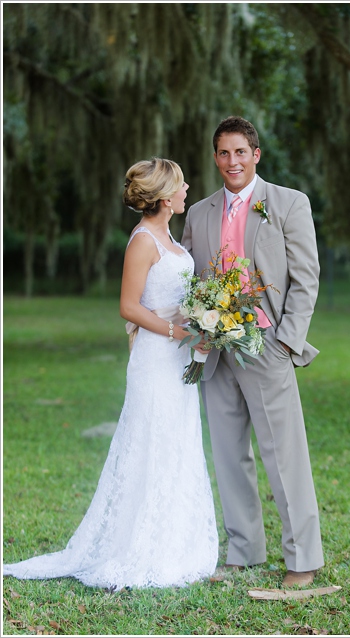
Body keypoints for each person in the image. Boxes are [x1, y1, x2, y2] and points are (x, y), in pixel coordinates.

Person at [3, 159, 219, 589]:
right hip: (155, 359)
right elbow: (129, 306)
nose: (187, 188)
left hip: (178, 356)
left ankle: (176, 541)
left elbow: (176, 294)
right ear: (162, 198)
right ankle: (142, 546)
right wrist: (179, 328)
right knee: (151, 443)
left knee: (177, 441)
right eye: (180, 185)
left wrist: (204, 320)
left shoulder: (169, 238)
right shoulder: (142, 241)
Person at [181, 115, 324, 587]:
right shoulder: (199, 213)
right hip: (216, 347)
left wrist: (287, 340)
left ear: (256, 155)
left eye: (240, 151)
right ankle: (243, 550)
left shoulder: (287, 203)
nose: (232, 161)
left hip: (267, 343)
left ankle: (302, 559)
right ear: (215, 157)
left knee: (283, 455)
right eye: (223, 152)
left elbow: (306, 278)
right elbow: (190, 282)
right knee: (227, 452)